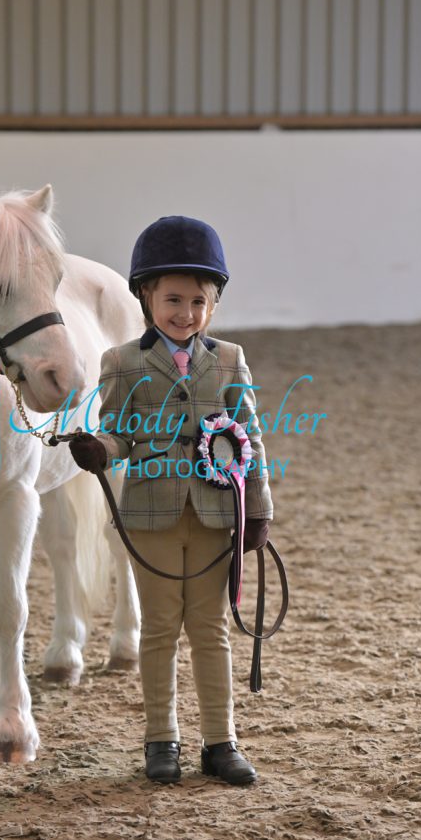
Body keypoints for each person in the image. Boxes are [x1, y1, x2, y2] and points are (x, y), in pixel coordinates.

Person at [70, 216, 273, 786]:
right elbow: (119, 432)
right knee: (158, 629)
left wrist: (258, 506)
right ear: (146, 298)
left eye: (198, 302)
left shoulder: (229, 358)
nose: (186, 313)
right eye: (174, 300)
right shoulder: (122, 362)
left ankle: (220, 742)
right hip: (151, 515)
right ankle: (161, 740)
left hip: (214, 513)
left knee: (210, 628)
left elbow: (250, 437)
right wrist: (99, 450)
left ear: (213, 304)